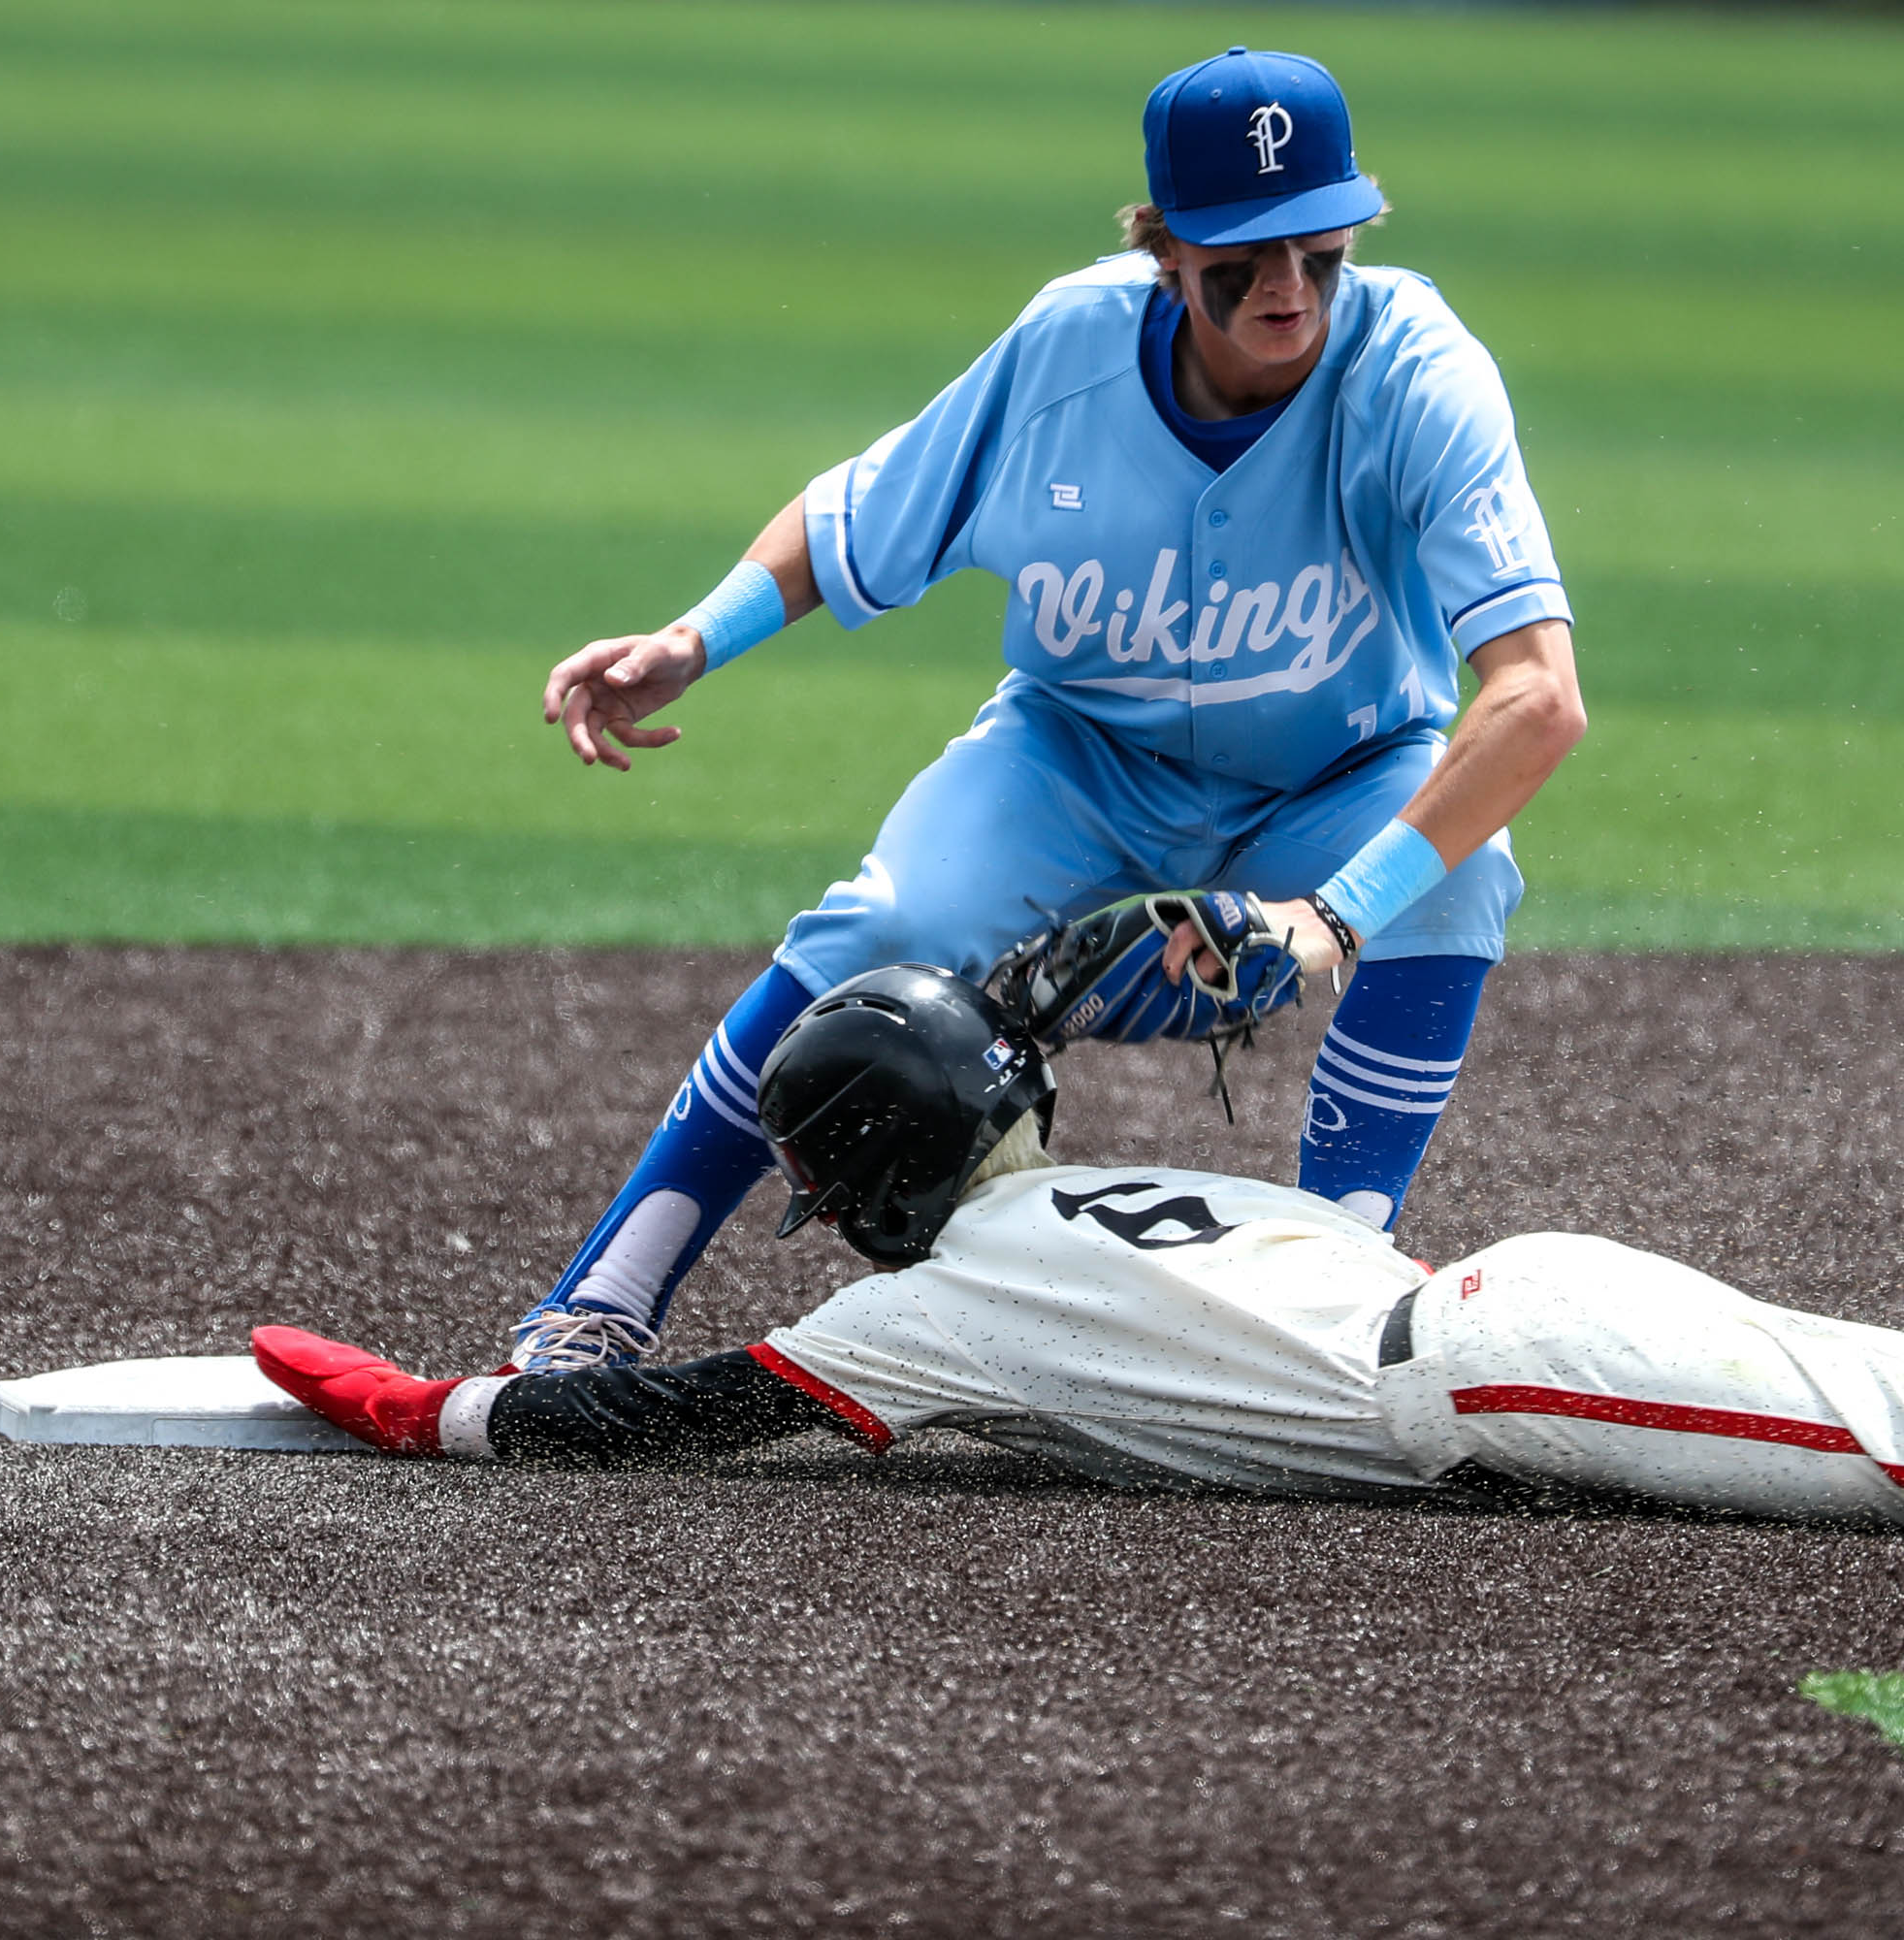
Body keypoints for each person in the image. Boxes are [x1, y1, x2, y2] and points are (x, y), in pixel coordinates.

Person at [257, 969, 1904, 1577]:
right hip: (1513, 1304)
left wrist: (405, 1397)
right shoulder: (1077, 1214)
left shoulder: (923, 1310)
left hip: (1514, 1372)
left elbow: (645, 1420)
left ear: (871, 1177)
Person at [509, 48, 1585, 1374]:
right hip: (1076, 762)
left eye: (1319, 245)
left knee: (1459, 885)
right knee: (886, 926)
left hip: (1336, 779)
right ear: (1167, 247)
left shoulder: (1421, 371)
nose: (1290, 286)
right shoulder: (1068, 349)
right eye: (1245, 256)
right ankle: (603, 1297)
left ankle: (1338, 1310)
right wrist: (691, 638)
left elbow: (1536, 700)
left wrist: (1332, 914)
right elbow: (867, 508)